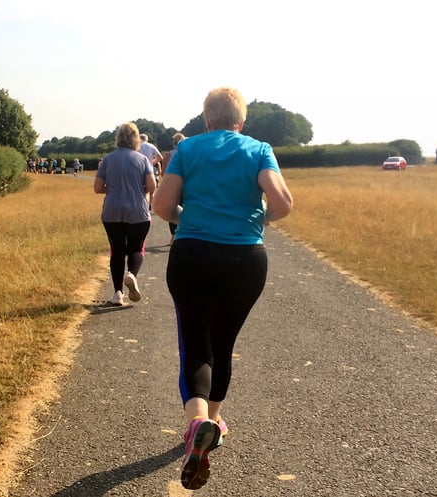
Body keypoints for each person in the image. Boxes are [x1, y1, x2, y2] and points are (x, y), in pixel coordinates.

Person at [152, 87, 293, 490]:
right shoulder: (259, 149)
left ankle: (197, 423)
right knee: (223, 344)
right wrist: (257, 221)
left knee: (196, 343)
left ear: (206, 120)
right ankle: (212, 422)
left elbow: (161, 207)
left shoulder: (189, 149)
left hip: (192, 253)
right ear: (240, 121)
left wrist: (187, 214)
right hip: (245, 258)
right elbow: (283, 203)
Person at [94, 122, 157, 306]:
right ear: (136, 139)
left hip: (112, 212)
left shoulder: (108, 159)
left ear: (118, 138)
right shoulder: (143, 160)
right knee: (136, 248)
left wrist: (113, 188)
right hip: (138, 212)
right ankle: (131, 274)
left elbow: (97, 187)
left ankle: (118, 294)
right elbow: (152, 186)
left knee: (117, 251)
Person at [162, 132, 186, 244]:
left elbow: (163, 172)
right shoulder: (188, 153)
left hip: (173, 185)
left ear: (173, 143)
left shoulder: (168, 155)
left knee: (172, 209)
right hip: (186, 186)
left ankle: (173, 235)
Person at [138, 133, 163, 207]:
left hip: (139, 169)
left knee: (141, 189)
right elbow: (160, 157)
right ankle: (150, 204)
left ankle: (142, 204)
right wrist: (153, 161)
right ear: (147, 139)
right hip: (150, 170)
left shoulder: (137, 146)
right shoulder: (151, 146)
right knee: (151, 189)